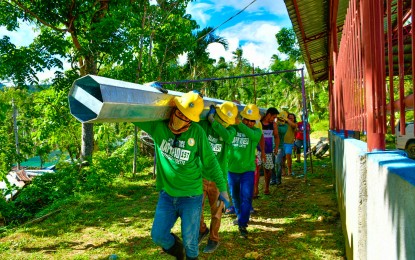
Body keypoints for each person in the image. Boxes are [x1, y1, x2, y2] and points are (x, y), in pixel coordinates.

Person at [134, 91, 231, 260]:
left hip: (191, 196)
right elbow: (133, 112)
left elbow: (211, 161)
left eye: (187, 118)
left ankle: (189, 254)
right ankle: (179, 252)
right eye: (180, 113)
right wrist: (147, 91)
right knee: (158, 235)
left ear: (191, 120)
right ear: (174, 109)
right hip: (167, 195)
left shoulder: (197, 132)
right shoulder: (158, 127)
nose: (182, 119)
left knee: (191, 242)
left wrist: (223, 189)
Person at [197, 101, 238, 253]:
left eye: (226, 122)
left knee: (217, 212)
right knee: (196, 208)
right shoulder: (204, 125)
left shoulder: (230, 130)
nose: (224, 123)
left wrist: (213, 121)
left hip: (218, 179)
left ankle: (214, 239)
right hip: (200, 176)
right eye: (222, 120)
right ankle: (202, 230)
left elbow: (227, 137)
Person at [228, 104, 262, 239]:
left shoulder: (256, 132)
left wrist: (240, 124)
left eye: (252, 120)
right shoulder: (232, 128)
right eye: (246, 119)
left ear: (255, 122)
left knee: (246, 197)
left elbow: (252, 136)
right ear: (242, 117)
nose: (249, 122)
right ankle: (239, 215)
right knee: (235, 196)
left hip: (247, 170)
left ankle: (242, 224)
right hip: (231, 170)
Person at [254, 108, 280, 195]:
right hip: (257, 150)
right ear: (268, 114)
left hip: (268, 150)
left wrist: (276, 147)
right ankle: (255, 189)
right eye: (273, 117)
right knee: (256, 170)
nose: (274, 119)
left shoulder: (273, 125)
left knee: (268, 170)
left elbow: (276, 136)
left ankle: (266, 187)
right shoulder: (258, 122)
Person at [271, 111, 288, 185]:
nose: (280, 121)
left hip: (279, 148)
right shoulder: (272, 125)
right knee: (271, 164)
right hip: (270, 147)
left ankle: (278, 179)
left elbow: (279, 131)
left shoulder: (285, 127)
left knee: (278, 163)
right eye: (279, 119)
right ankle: (273, 179)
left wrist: (275, 125)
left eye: (282, 120)